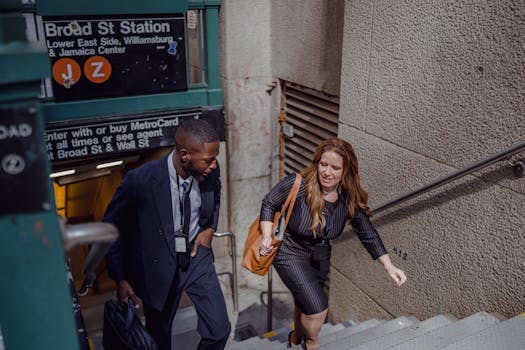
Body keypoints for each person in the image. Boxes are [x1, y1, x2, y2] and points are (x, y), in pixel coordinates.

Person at [259, 138, 407, 349]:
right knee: (318, 308)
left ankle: (294, 339)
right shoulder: (298, 184)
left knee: (305, 302)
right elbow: (269, 202)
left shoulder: (348, 199)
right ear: (317, 163)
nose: (327, 172)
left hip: (320, 255)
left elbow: (368, 233)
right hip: (290, 251)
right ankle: (311, 341)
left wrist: (389, 266)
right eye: (323, 164)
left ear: (346, 170)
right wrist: (266, 235)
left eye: (335, 167)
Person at [103, 119, 231, 350]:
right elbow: (111, 227)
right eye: (208, 160)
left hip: (196, 258)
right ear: (184, 155)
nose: (214, 165)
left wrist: (209, 227)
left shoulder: (210, 170)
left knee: (219, 329)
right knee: (159, 338)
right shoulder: (139, 181)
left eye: (215, 158)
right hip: (158, 268)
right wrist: (120, 277)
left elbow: (216, 192)